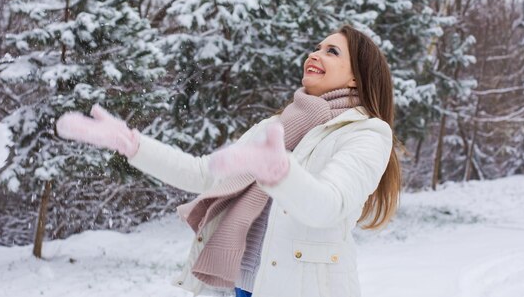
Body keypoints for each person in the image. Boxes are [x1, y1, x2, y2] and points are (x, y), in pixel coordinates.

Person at [56, 24, 400, 297]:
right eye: (317, 47)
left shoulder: (366, 133)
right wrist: (133, 145)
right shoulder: (276, 126)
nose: (315, 53)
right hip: (239, 284)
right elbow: (205, 173)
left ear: (356, 76)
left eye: (332, 51)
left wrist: (280, 173)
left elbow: (328, 205)